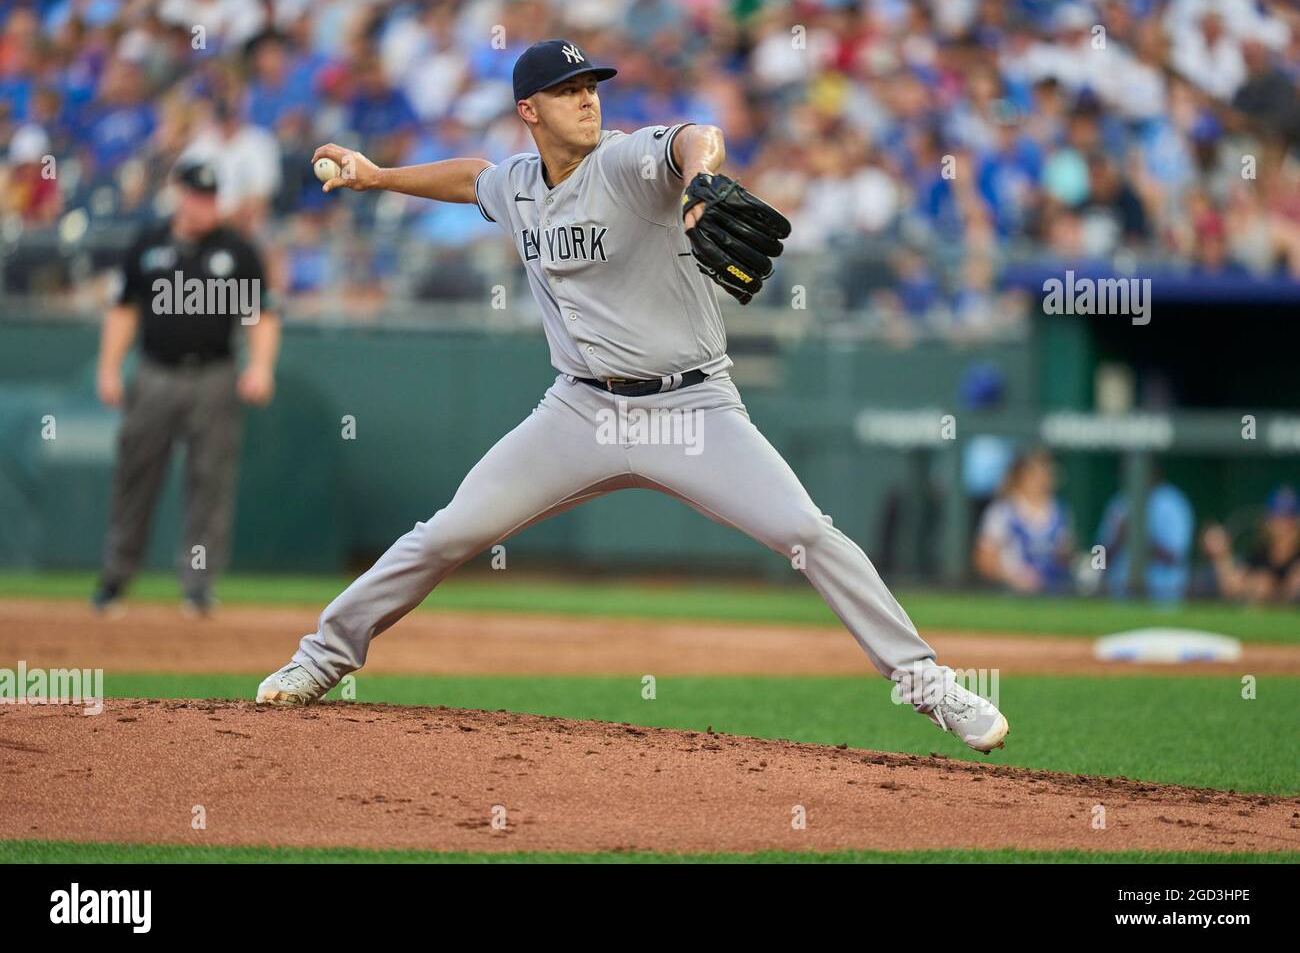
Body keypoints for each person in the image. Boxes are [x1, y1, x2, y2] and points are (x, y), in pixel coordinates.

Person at [255, 39, 1009, 754]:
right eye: (568, 91)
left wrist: (705, 178)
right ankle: (321, 659)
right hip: (578, 411)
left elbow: (692, 137)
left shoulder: (623, 164)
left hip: (692, 409)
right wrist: (377, 176)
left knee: (809, 534)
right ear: (530, 110)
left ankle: (929, 685)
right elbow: (473, 178)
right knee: (449, 532)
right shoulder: (519, 184)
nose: (587, 102)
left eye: (591, 88)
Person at [92, 160, 280, 616]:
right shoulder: (149, 243)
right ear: (178, 194)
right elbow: (123, 310)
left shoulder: (237, 250)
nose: (204, 206)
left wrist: (260, 367)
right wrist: (109, 368)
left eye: (211, 198)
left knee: (210, 481)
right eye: (196, 196)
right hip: (155, 373)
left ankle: (198, 585)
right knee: (136, 477)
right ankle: (116, 579)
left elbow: (262, 314)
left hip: (214, 375)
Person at [973, 448, 1074, 594]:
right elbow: (984, 560)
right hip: (1010, 594)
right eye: (1036, 472)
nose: (1043, 478)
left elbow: (1064, 555)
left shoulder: (1060, 511)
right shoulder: (1003, 511)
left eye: (1046, 471)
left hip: (1051, 594)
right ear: (1022, 475)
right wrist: (1014, 577)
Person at [1094, 469, 1194, 602]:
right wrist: (1118, 538)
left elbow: (1176, 557)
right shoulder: (1119, 503)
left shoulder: (1171, 503)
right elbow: (1098, 558)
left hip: (1164, 598)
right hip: (1120, 598)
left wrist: (1138, 535)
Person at [1202, 486, 1300, 604]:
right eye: (1278, 517)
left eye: (1288, 518)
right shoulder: (1260, 551)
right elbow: (1232, 586)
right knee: (1261, 584)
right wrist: (1221, 555)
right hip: (1263, 615)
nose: (1282, 525)